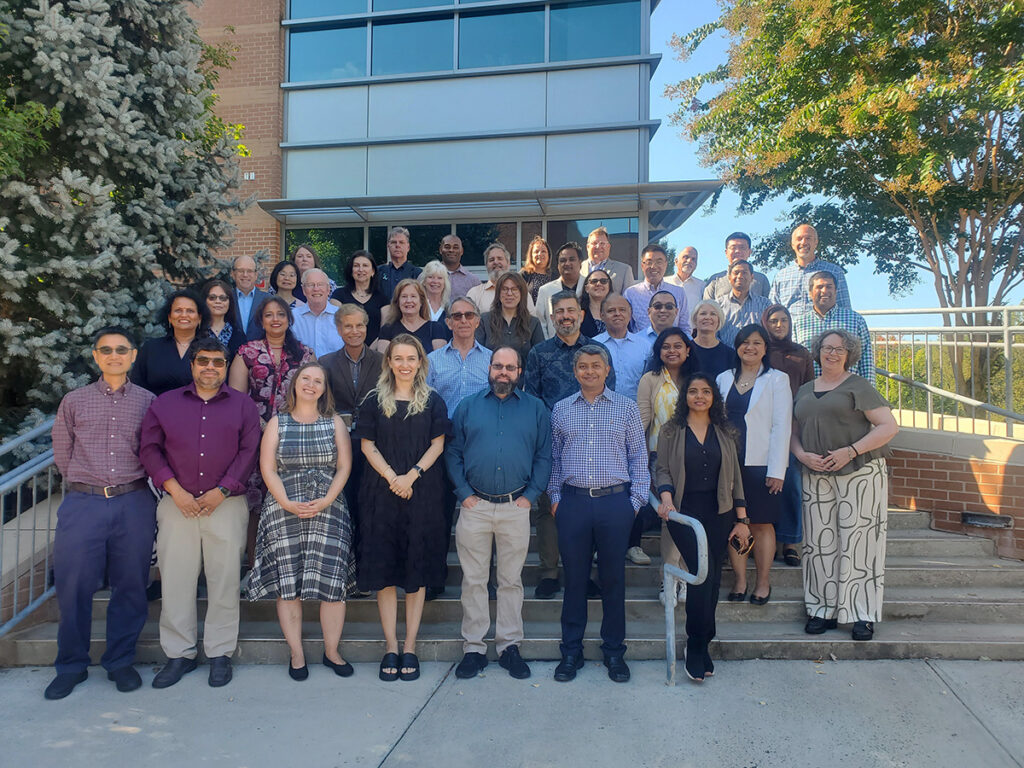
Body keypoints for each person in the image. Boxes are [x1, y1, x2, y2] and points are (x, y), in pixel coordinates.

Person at [140, 337, 260, 689]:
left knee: (224, 581)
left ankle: (220, 653)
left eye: (218, 362)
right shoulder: (165, 404)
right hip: (177, 505)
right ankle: (180, 654)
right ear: (192, 365)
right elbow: (149, 450)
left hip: (225, 505)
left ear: (226, 366)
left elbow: (248, 451)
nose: (211, 367)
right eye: (203, 361)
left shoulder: (242, 405)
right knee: (176, 580)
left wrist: (221, 490)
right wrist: (174, 490)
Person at [45, 328, 157, 700]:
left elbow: (153, 450)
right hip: (84, 503)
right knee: (73, 585)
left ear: (133, 355)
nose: (114, 356)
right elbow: (64, 454)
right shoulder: (74, 401)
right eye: (106, 350)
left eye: (121, 350)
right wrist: (87, 485)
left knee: (130, 584)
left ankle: (120, 661)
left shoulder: (147, 402)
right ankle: (71, 665)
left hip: (133, 501)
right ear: (95, 356)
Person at [245, 363, 356, 681]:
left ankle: (332, 651)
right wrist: (286, 503)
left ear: (324, 389)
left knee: (332, 585)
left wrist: (326, 500)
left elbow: (344, 467)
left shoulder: (334, 422)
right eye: (306, 379)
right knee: (288, 584)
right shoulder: (277, 423)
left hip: (329, 507)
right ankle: (296, 654)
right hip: (284, 510)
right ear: (295, 384)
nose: (311, 384)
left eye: (318, 381)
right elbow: (267, 468)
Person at [448, 347, 552, 680]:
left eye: (510, 367)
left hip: (515, 507)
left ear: (519, 372)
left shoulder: (536, 409)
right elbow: (453, 454)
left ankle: (509, 646)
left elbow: (544, 457)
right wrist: (464, 494)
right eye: (497, 366)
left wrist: (531, 496)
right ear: (489, 369)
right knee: (474, 581)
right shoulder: (467, 407)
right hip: (474, 506)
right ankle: (474, 649)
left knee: (510, 581)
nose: (503, 372)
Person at [549, 345, 649, 683]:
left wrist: (634, 501)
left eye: (595, 366)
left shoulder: (626, 407)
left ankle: (613, 652)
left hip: (614, 504)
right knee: (575, 580)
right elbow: (555, 458)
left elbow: (639, 457)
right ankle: (571, 652)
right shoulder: (561, 409)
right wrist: (555, 498)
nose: (589, 371)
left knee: (613, 580)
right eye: (582, 366)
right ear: (574, 371)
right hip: (573, 504)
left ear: (607, 370)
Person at [354, 335, 450, 682]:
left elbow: (438, 444)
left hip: (422, 494)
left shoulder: (433, 401)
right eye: (398, 358)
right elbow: (367, 445)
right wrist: (394, 478)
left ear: (421, 362)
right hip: (381, 494)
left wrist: (411, 476)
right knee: (385, 576)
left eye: (411, 358)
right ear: (389, 362)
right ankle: (390, 646)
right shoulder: (373, 401)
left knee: (415, 573)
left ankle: (410, 645)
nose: (405, 365)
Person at [793, 330, 898, 641]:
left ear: (849, 354)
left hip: (860, 473)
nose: (832, 353)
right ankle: (820, 608)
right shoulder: (804, 389)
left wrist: (851, 451)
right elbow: (793, 430)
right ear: (818, 351)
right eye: (827, 347)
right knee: (818, 544)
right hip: (815, 474)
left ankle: (861, 614)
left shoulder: (858, 386)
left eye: (839, 349)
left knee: (860, 543)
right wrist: (801, 455)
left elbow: (889, 426)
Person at [655, 373, 748, 683]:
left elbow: (735, 477)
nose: (699, 396)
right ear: (685, 397)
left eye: (705, 392)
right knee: (699, 576)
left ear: (713, 397)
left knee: (712, 577)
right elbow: (663, 468)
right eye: (693, 391)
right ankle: (695, 645)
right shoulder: (671, 431)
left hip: (719, 512)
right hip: (684, 515)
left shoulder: (725, 432)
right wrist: (666, 498)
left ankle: (703, 642)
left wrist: (742, 519)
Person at [524, 291, 616, 600]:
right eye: (559, 311)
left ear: (580, 314)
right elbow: (532, 398)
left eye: (570, 310)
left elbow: (608, 394)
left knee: (584, 510)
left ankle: (583, 573)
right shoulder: (539, 352)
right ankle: (549, 572)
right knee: (548, 509)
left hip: (589, 441)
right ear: (551, 318)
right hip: (550, 440)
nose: (565, 315)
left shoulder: (597, 350)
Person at [229, 295, 315, 564]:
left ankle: (289, 566)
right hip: (256, 438)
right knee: (256, 502)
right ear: (261, 320)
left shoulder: (305, 353)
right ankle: (255, 565)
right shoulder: (247, 353)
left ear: (289, 320)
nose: (275, 319)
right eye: (269, 315)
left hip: (295, 438)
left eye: (281, 314)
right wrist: (263, 427)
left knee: (291, 499)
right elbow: (236, 400)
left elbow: (313, 395)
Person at [715, 324, 792, 606]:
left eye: (757, 343)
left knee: (760, 525)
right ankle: (740, 580)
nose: (750, 347)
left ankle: (762, 582)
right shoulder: (723, 378)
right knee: (735, 522)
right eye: (745, 342)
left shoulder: (777, 379)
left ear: (765, 348)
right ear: (736, 346)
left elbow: (781, 426)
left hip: (761, 464)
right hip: (727, 464)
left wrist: (777, 470)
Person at [426, 297, 492, 599]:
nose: (463, 320)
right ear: (449, 322)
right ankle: (434, 577)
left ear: (477, 320)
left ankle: (485, 579)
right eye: (457, 316)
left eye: (469, 315)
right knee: (437, 514)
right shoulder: (432, 360)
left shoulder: (492, 360)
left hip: (481, 445)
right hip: (441, 444)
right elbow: (423, 404)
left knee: (484, 513)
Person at [635, 327, 699, 602]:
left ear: (687, 350)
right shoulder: (650, 380)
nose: (671, 351)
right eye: (665, 347)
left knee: (689, 516)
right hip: (659, 457)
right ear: (658, 352)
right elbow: (642, 421)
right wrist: (637, 461)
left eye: (677, 346)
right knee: (669, 516)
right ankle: (668, 579)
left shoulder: (697, 379)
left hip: (696, 457)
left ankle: (684, 576)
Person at [319, 304, 384, 574]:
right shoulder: (325, 363)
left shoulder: (383, 361)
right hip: (338, 446)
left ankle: (367, 566)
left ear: (366, 328)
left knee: (369, 507)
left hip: (374, 444)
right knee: (343, 506)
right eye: (348, 326)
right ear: (338, 329)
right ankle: (342, 568)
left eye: (359, 325)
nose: (354, 331)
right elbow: (321, 405)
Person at [762, 303, 815, 566]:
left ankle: (791, 541)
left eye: (783, 320)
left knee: (791, 484)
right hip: (761, 426)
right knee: (764, 483)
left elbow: (807, 390)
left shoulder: (801, 353)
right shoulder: (760, 350)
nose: (779, 325)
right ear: (766, 323)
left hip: (792, 427)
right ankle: (766, 538)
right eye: (773, 321)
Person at [792, 271, 875, 380]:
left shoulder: (856, 320)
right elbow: (796, 361)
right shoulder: (798, 323)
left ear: (836, 291)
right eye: (819, 287)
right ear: (810, 293)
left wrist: (868, 393)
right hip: (811, 391)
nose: (824, 291)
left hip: (847, 391)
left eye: (829, 287)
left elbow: (866, 361)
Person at [132, 289, 211, 396]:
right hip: (157, 410)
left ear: (199, 318)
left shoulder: (211, 349)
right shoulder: (151, 348)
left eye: (190, 311)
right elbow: (137, 387)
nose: (184, 315)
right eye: (178, 310)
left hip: (200, 411)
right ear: (169, 317)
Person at [770, 223, 851, 316]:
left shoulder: (834, 271)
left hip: (825, 329)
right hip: (790, 330)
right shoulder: (781, 276)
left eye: (808, 238)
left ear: (815, 242)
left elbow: (845, 309)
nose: (803, 242)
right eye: (799, 239)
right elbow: (773, 311)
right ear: (792, 244)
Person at [594, 294, 651, 402]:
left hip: (635, 412)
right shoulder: (593, 345)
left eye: (622, 310)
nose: (617, 314)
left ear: (630, 314)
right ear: (602, 315)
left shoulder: (645, 347)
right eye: (611, 311)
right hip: (599, 412)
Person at [476, 271, 545, 360]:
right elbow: (478, 355)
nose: (509, 293)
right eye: (504, 289)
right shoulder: (484, 321)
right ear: (498, 293)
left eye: (514, 289)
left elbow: (540, 357)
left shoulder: (533, 323)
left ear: (522, 293)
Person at [624, 243, 691, 334]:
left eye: (659, 262)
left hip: (671, 346)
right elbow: (627, 328)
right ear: (642, 265)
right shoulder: (631, 293)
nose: (653, 266)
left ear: (666, 264)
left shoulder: (678, 292)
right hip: (641, 346)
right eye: (649, 262)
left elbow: (685, 328)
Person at [373, 278, 447, 353]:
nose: (408, 301)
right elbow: (384, 361)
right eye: (404, 296)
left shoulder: (435, 328)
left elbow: (439, 362)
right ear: (397, 302)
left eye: (413, 296)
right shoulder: (387, 329)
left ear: (421, 301)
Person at [331, 250, 388, 344]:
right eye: (356, 266)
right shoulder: (338, 296)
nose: (360, 269)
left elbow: (384, 332)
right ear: (351, 271)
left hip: (374, 353)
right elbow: (336, 327)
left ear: (373, 271)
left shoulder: (383, 299)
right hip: (345, 351)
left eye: (365, 265)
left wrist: (367, 352)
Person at [466, 242, 535, 315]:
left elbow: (531, 323)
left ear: (508, 264)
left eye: (500, 258)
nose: (495, 262)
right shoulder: (475, 294)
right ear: (486, 265)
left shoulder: (522, 293)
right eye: (491, 260)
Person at [703, 232, 771, 304]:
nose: (738, 251)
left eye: (742, 248)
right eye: (733, 248)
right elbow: (706, 307)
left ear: (749, 252)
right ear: (726, 252)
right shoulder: (715, 280)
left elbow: (769, 309)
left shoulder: (761, 280)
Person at [718, 261, 773, 347]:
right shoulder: (718, 305)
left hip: (755, 356)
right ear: (729, 277)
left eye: (744, 273)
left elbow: (770, 333)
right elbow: (713, 335)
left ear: (752, 277)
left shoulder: (765, 304)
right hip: (726, 357)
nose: (740, 276)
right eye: (736, 273)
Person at [535, 241, 584, 338]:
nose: (567, 263)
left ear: (580, 263)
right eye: (563, 260)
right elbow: (541, 323)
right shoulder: (545, 291)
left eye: (572, 259)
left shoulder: (590, 286)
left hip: (587, 348)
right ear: (558, 266)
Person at [292, 268, 344, 357]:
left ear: (328, 289)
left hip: (336, 370)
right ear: (304, 290)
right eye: (310, 285)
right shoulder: (292, 317)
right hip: (302, 370)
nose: (316, 289)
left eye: (320, 284)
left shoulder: (342, 316)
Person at [580, 226, 635, 294]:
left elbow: (629, 299)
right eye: (594, 243)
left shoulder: (624, 270)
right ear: (587, 247)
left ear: (608, 247)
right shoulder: (577, 268)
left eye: (602, 243)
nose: (598, 246)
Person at [690, 299, 735, 379]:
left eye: (713, 314)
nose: (708, 317)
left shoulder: (730, 355)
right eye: (703, 314)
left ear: (719, 321)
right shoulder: (685, 350)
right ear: (695, 319)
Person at [201, 279, 245, 359]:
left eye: (223, 298)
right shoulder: (196, 331)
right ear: (204, 301)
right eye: (212, 297)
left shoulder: (238, 334)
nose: (218, 301)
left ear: (230, 302)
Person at [231, 255, 272, 340]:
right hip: (230, 352)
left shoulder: (268, 299)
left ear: (256, 275)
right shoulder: (225, 298)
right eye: (241, 271)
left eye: (249, 271)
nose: (245, 275)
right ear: (233, 274)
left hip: (260, 351)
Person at [377, 226, 422, 299]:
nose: (397, 245)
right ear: (388, 246)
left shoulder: (418, 274)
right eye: (394, 242)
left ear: (408, 247)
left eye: (401, 242)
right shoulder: (378, 272)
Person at [439, 234, 481, 300]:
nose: (451, 250)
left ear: (462, 251)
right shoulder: (427, 277)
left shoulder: (473, 281)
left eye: (455, 247)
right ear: (440, 250)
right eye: (447, 247)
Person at [664, 245, 705, 312]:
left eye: (693, 259)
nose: (689, 261)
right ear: (676, 261)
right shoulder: (663, 283)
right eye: (686, 257)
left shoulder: (702, 286)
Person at [520, 234, 555, 303]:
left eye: (543, 251)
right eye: (536, 251)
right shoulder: (523, 275)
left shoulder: (555, 276)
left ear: (549, 255)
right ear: (531, 255)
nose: (540, 254)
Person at [579, 267, 612, 337]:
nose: (599, 284)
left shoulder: (618, 312)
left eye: (603, 281)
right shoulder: (578, 313)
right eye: (594, 281)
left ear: (609, 287)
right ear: (586, 288)